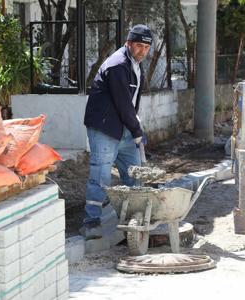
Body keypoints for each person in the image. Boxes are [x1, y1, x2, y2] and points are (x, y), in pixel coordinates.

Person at [83, 24, 153, 238]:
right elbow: (123, 102)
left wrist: (135, 126)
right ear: (128, 44)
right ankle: (91, 222)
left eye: (146, 47)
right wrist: (137, 130)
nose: (142, 50)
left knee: (134, 173)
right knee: (101, 175)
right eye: (138, 45)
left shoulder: (135, 64)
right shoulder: (117, 65)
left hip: (124, 128)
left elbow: (130, 104)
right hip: (105, 128)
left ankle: (133, 222)